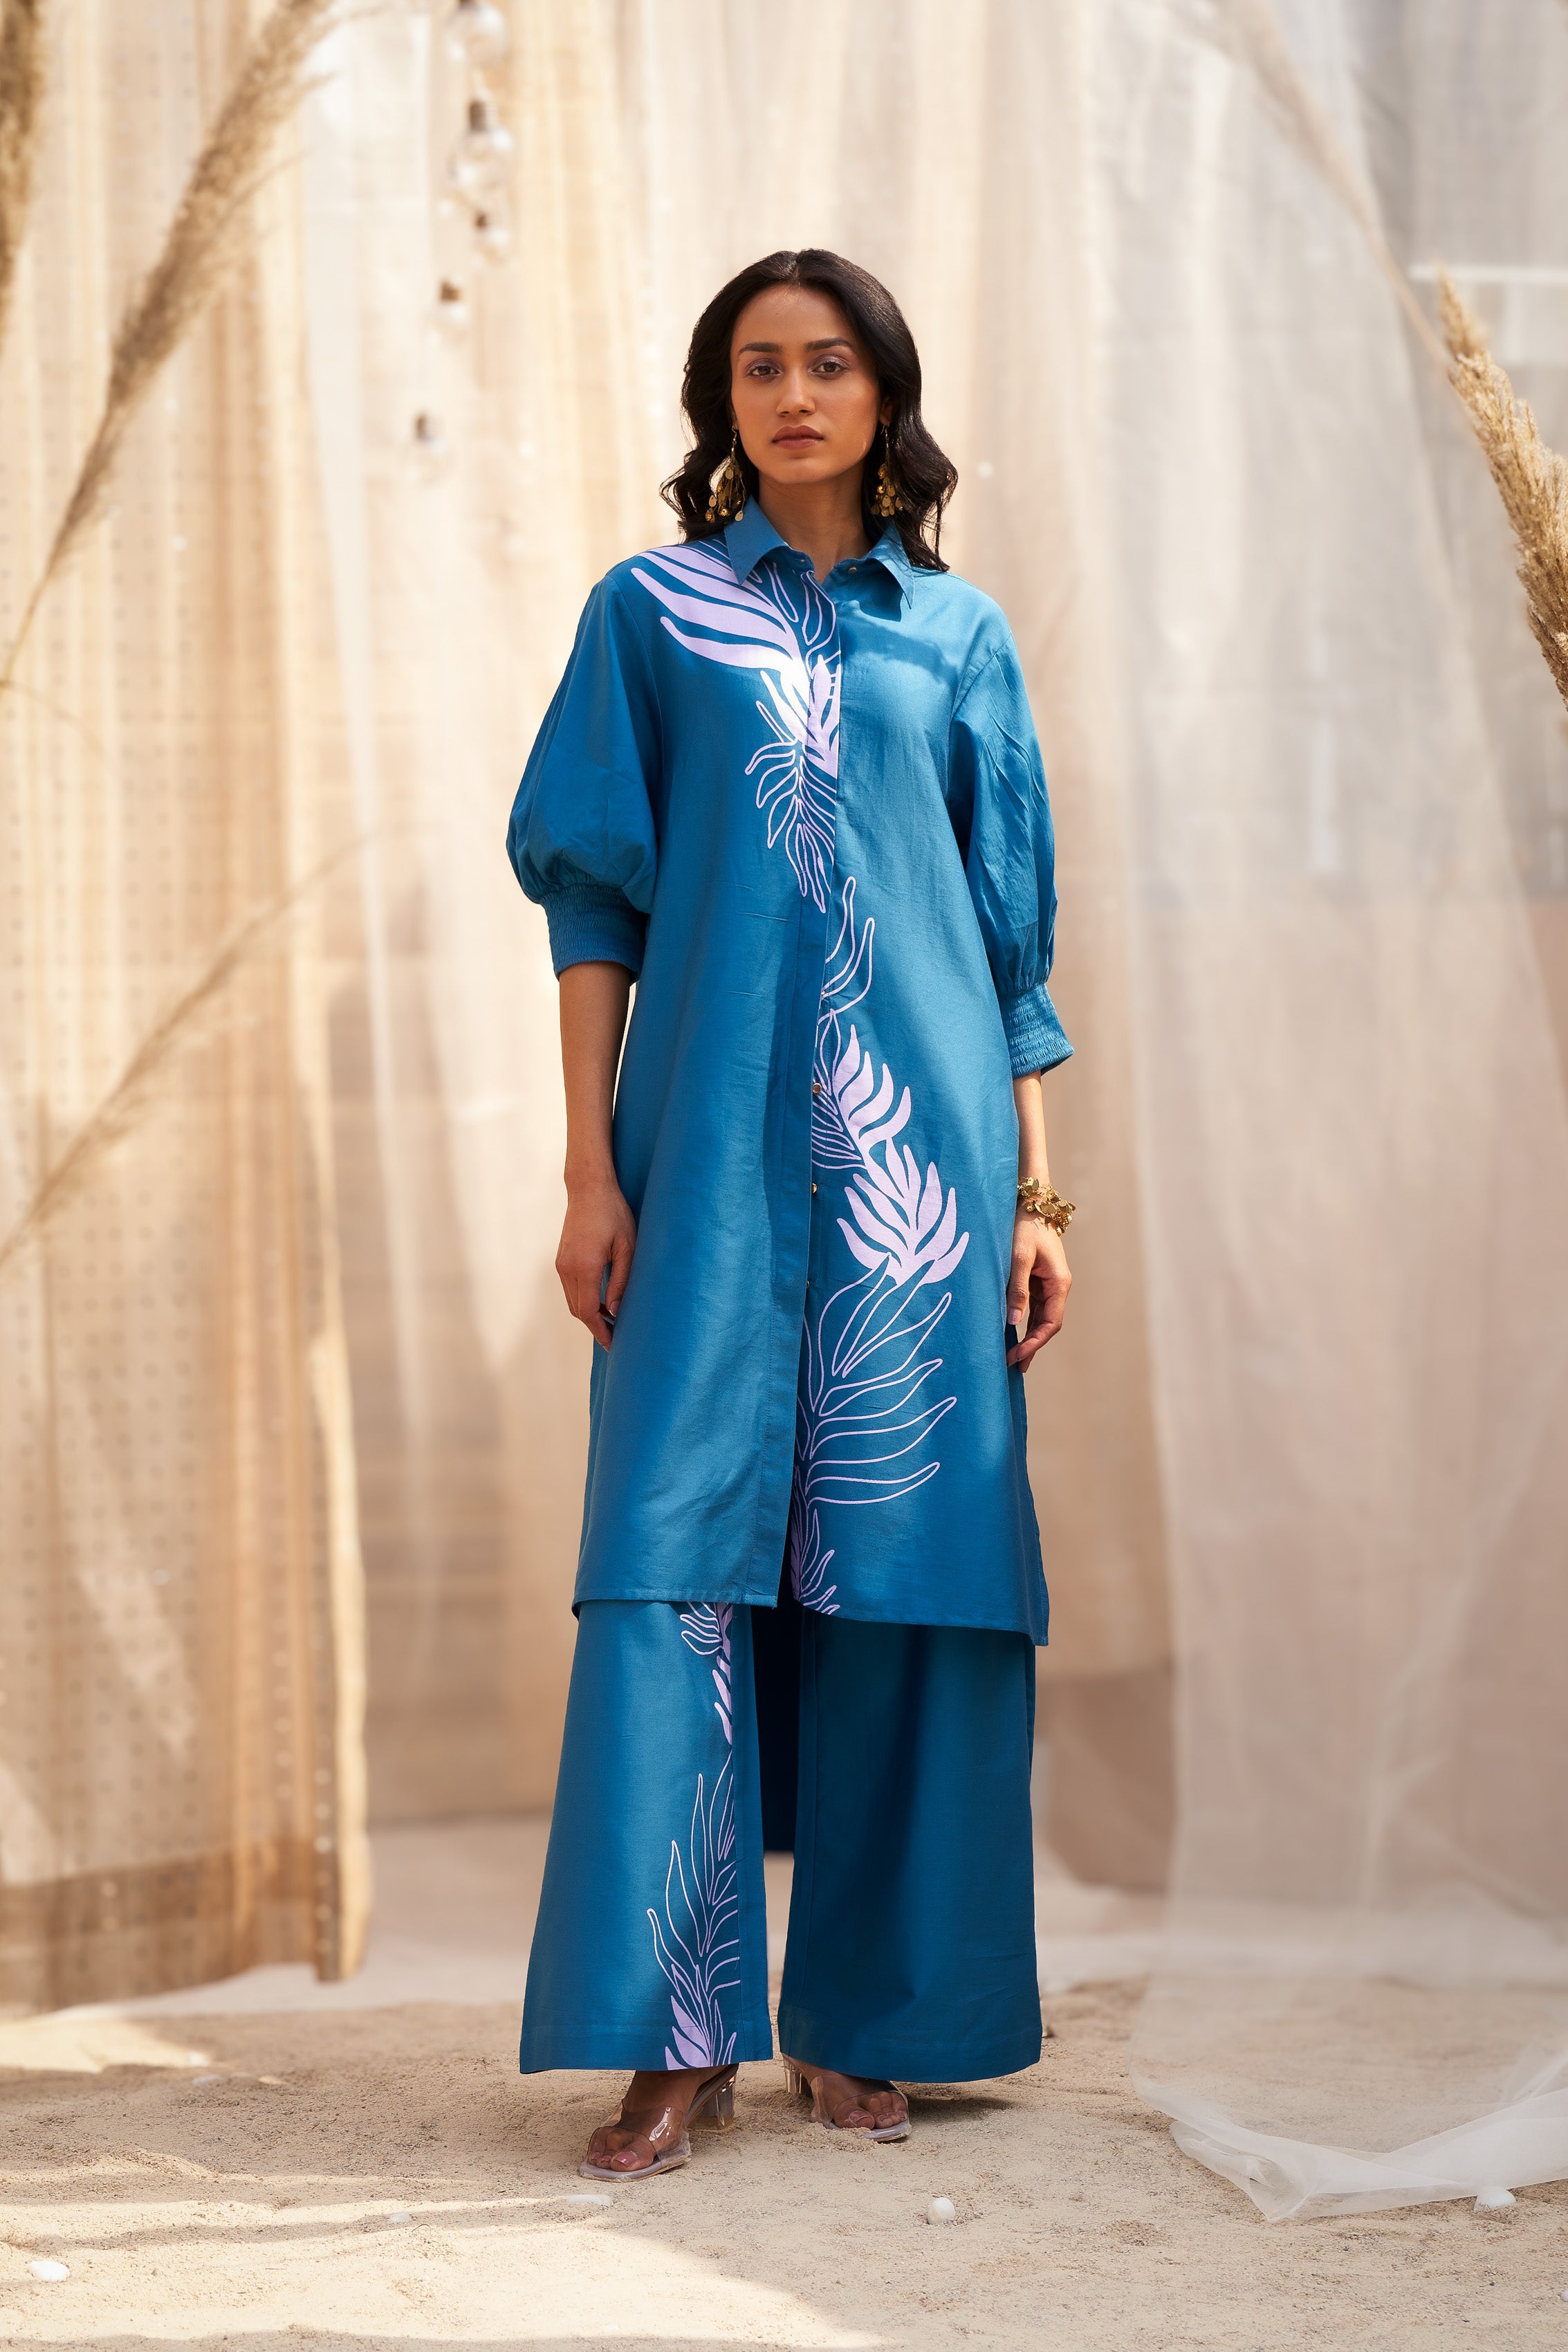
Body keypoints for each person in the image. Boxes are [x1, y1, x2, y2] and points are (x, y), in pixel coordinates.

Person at [507, 248, 1074, 2181]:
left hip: (926, 1180)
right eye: (758, 366)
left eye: (829, 362)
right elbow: (594, 900)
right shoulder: (651, 612)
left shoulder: (958, 633)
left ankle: (874, 2016)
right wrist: (590, 1169)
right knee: (675, 1558)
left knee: (911, 1567)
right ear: (720, 402)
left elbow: (1006, 948)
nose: (794, 393)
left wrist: (1037, 1194)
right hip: (707, 1166)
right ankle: (672, 2038)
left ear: (882, 393)